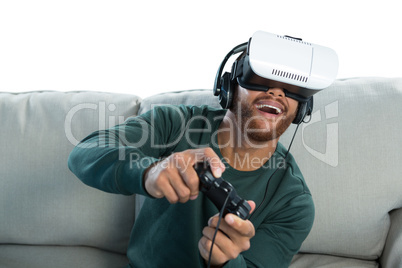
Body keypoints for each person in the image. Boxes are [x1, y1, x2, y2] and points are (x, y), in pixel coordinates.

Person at [68, 34, 317, 267]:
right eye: (261, 79)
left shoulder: (295, 202)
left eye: (291, 88)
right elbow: (85, 152)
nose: (276, 92)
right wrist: (149, 172)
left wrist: (226, 262)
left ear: (301, 109)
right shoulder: (175, 124)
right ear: (229, 88)